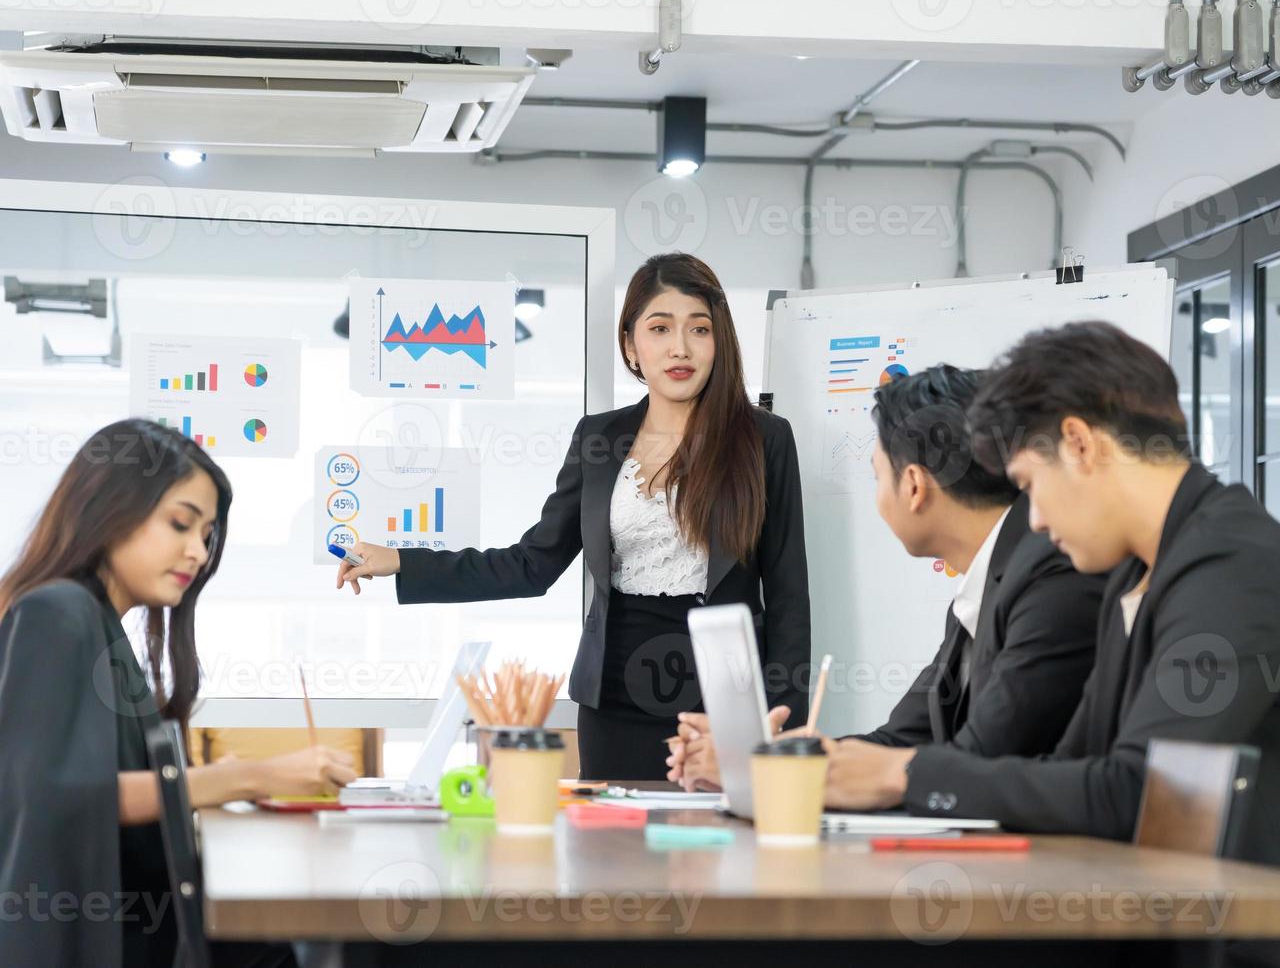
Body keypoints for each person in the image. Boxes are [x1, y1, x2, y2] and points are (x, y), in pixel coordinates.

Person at [904, 321, 1280, 968]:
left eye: (1029, 485)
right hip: (1190, 926)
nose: (1036, 521)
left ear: (1080, 444)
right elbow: (1076, 764)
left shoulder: (1233, 566)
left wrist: (912, 773)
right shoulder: (1139, 575)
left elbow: (1136, 792)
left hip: (1269, 949)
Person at [336, 253, 811, 779]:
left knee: (719, 853)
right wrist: (404, 560)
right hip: (614, 696)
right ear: (631, 345)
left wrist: (780, 722)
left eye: (699, 328)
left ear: (719, 340)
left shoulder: (764, 439)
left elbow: (789, 594)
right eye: (660, 328)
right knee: (612, 850)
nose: (680, 347)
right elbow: (532, 563)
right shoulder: (599, 438)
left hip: (723, 703)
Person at [0, 419, 358, 968]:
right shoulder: (58, 614)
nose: (198, 552)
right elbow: (57, 798)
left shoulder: (99, 625)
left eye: (207, 536)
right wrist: (247, 776)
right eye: (180, 524)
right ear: (107, 509)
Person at [668, 365, 1103, 801]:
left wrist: (764, 772)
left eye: (878, 476)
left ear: (913, 485)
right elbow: (901, 741)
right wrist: (765, 758)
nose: (879, 498)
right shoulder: (987, 584)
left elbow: (979, 758)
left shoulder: (1052, 575)